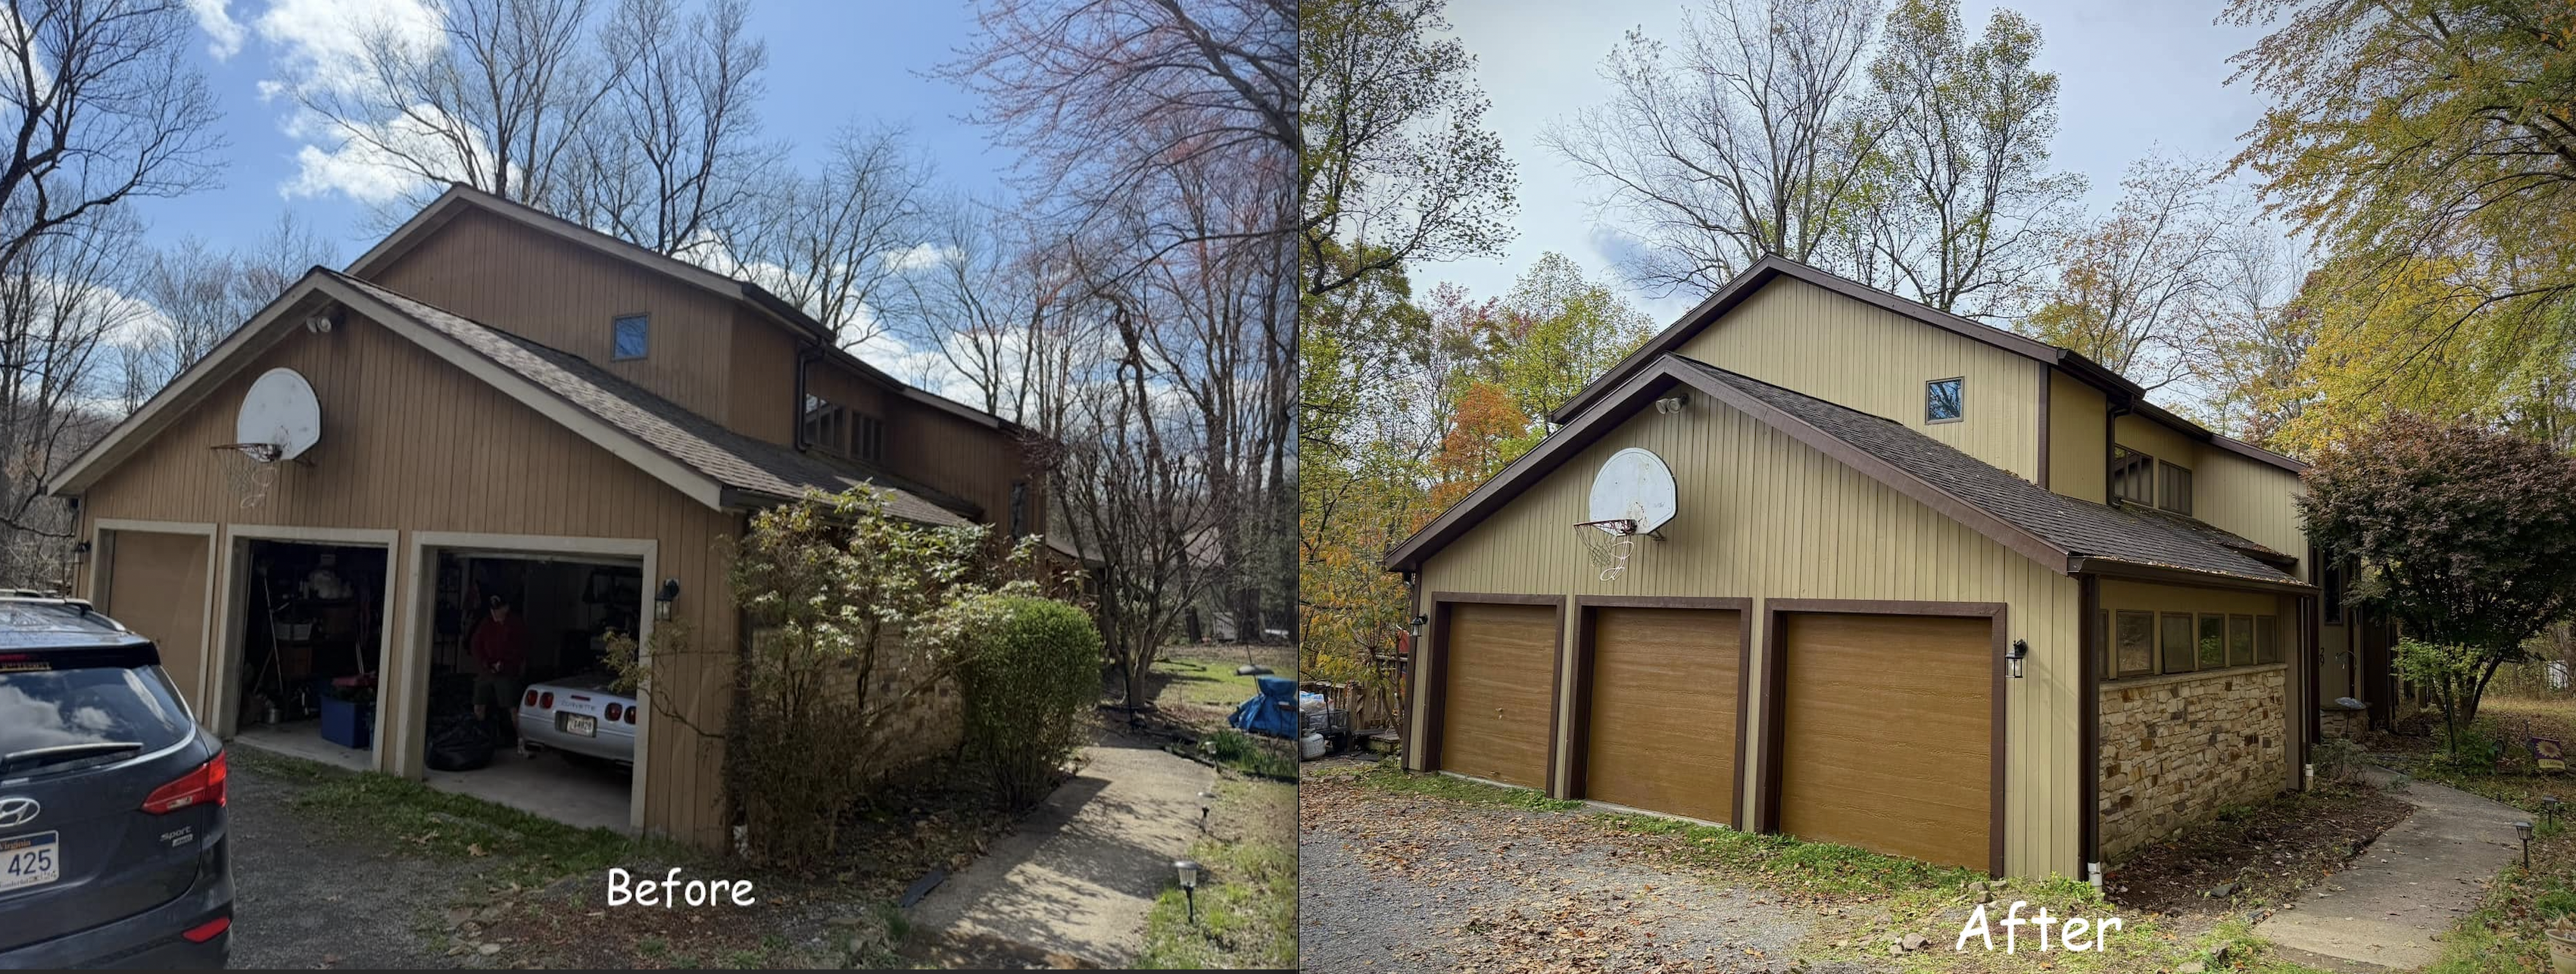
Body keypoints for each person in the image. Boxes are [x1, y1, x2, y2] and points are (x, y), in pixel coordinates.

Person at [468, 595, 527, 741]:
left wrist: (505, 664)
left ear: (506, 608)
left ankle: (522, 740)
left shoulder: (516, 624)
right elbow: (475, 645)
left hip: (506, 672)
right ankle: (479, 739)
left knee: (512, 708)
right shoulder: (486, 623)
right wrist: (486, 663)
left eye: (498, 609)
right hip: (487, 670)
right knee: (478, 705)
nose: (495, 613)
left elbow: (521, 649)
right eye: (493, 610)